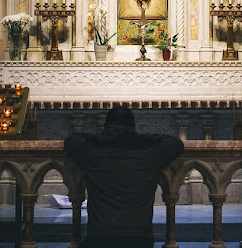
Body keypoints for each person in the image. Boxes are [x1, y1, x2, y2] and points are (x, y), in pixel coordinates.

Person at [65, 106, 184, 248]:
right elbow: (176, 143)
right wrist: (140, 137)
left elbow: (71, 141)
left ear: (106, 127)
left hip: (100, 237)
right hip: (139, 238)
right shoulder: (151, 155)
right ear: (133, 127)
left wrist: (101, 138)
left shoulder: (93, 153)